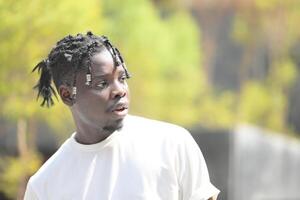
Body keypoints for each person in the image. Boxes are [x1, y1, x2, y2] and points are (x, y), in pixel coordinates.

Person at [24, 32, 220, 200]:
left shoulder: (172, 143)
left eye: (122, 78)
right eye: (102, 84)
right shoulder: (45, 185)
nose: (119, 90)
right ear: (67, 95)